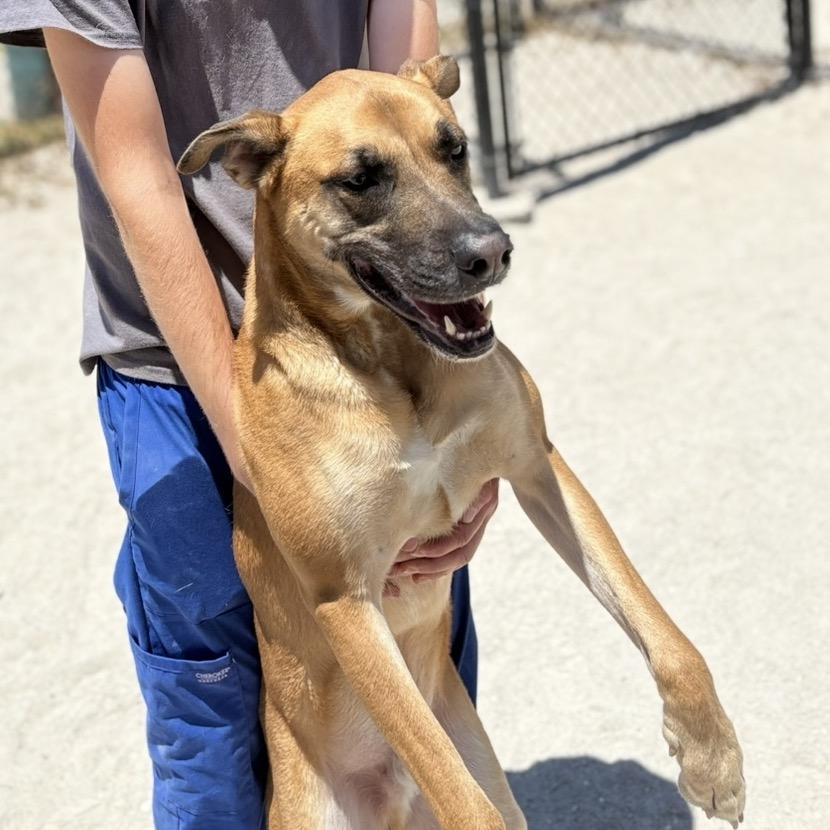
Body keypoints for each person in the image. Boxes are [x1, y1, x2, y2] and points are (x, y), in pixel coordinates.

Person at [1, 2, 500, 827]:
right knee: (215, 718)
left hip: (373, 325)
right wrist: (254, 442)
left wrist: (466, 414)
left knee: (418, 679)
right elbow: (140, 176)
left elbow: (406, 98)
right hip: (174, 363)